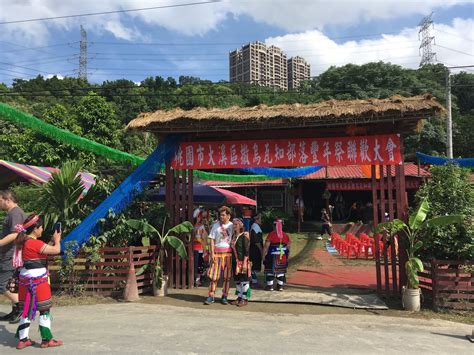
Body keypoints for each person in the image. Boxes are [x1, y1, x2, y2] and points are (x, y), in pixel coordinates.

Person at [12, 214, 62, 349]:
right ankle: (47, 340)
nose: (42, 230)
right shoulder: (35, 243)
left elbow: (41, 253)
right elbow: (56, 250)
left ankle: (23, 340)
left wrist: (50, 242)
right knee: (44, 310)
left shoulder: (23, 242)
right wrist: (57, 240)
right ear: (35, 229)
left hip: (25, 281)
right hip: (39, 282)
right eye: (41, 228)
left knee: (26, 310)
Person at [0, 190, 26, 323]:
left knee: (1, 284)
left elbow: (15, 234)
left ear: (7, 200)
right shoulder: (13, 213)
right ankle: (15, 311)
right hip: (10, 254)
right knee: (10, 285)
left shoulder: (15, 213)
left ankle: (21, 307)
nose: (0, 203)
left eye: (0, 200)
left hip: (11, 255)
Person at [204, 206, 233, 305]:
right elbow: (211, 240)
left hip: (228, 254)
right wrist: (211, 253)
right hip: (216, 253)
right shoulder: (215, 226)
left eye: (223, 215)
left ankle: (225, 296)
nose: (221, 217)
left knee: (227, 277)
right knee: (214, 276)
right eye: (220, 215)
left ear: (229, 216)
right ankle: (211, 296)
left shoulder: (232, 226)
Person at [263, 219, 291, 291]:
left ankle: (270, 286)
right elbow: (288, 247)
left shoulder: (271, 234)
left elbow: (266, 246)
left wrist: (263, 255)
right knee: (281, 271)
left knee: (270, 271)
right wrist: (287, 256)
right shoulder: (286, 235)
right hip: (282, 256)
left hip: (271, 256)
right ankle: (280, 286)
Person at [230, 218, 250, 307]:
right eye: (234, 224)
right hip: (235, 261)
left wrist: (245, 263)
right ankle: (239, 297)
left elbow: (246, 251)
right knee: (237, 280)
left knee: (244, 280)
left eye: (236, 224)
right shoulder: (233, 236)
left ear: (241, 225)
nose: (235, 226)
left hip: (242, 261)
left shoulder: (244, 236)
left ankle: (245, 298)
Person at [192, 208, 208, 287]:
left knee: (199, 265)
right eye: (200, 217)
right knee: (197, 265)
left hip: (199, 248)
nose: (200, 218)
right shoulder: (196, 226)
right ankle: (196, 280)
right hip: (196, 248)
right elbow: (204, 238)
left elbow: (204, 239)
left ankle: (197, 280)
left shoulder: (199, 226)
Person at [249, 214, 263, 286]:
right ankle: (254, 281)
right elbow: (256, 241)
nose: (261, 221)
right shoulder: (255, 227)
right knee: (256, 265)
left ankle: (254, 280)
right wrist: (261, 250)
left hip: (254, 248)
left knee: (256, 265)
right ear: (256, 220)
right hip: (255, 249)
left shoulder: (255, 227)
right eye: (260, 219)